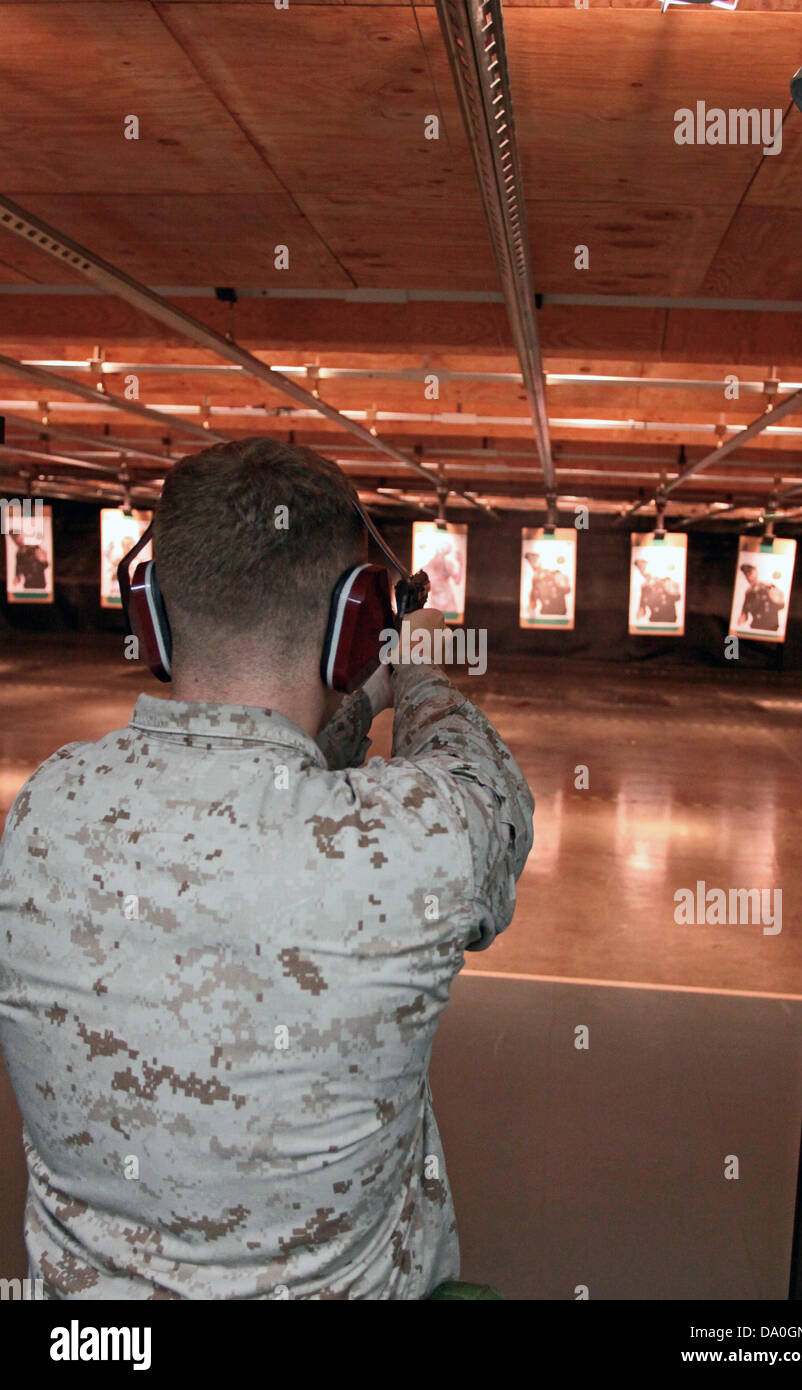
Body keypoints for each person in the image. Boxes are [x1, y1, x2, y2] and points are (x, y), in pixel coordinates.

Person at [0, 438, 534, 1301]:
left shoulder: (42, 810)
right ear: (361, 617)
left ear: (152, 616)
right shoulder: (418, 840)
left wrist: (355, 692)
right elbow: (486, 791)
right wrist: (419, 676)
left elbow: (260, 770)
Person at [738, 563, 785, 632]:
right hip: (756, 627)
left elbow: (781, 605)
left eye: (751, 573)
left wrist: (774, 598)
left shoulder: (769, 586)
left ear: (756, 572)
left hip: (772, 627)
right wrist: (742, 618)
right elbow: (745, 612)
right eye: (747, 575)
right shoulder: (748, 593)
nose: (749, 578)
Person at [525, 551, 570, 617]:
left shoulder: (553, 573)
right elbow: (533, 603)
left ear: (539, 561)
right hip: (545, 613)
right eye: (530, 561)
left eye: (535, 560)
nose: (533, 563)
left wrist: (564, 582)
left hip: (560, 614)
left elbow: (567, 590)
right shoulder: (534, 580)